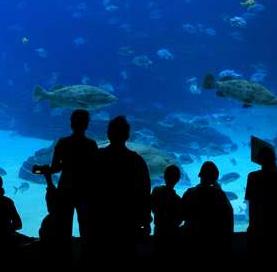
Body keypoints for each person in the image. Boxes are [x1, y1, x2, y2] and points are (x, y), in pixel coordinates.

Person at [94, 116, 151, 263]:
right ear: (127, 135)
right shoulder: (138, 162)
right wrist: (146, 220)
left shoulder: (97, 158)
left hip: (102, 221)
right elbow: (145, 194)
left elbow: (88, 188)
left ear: (108, 134)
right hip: (129, 223)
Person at [49, 109, 98, 244]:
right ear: (87, 124)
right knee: (86, 227)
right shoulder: (91, 145)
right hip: (85, 190)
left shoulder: (63, 142)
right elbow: (95, 170)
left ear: (71, 123)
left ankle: (64, 258)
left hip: (66, 187)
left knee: (63, 227)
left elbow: (55, 168)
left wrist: (44, 170)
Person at [181, 161, 234, 258]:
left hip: (191, 242)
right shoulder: (219, 195)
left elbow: (182, 215)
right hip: (213, 242)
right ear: (215, 179)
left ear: (200, 175)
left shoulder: (190, 193)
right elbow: (229, 213)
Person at [245, 146, 277, 258]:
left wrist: (252, 224)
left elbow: (250, 202)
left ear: (259, 160)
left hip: (257, 222)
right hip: (274, 219)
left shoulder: (252, 176)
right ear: (274, 160)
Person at [150, 164, 183, 256]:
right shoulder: (177, 200)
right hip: (173, 234)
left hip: (158, 231)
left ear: (164, 176)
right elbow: (180, 220)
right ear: (178, 179)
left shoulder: (156, 191)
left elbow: (152, 207)